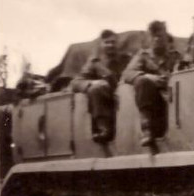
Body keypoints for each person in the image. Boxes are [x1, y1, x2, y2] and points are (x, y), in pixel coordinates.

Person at [122, 20, 186, 148]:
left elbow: (186, 72)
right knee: (142, 81)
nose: (157, 39)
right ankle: (147, 130)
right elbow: (127, 74)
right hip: (154, 105)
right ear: (150, 38)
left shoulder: (176, 56)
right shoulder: (143, 56)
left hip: (175, 101)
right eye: (154, 36)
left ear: (165, 37)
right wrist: (148, 77)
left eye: (160, 36)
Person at [70, 29, 130, 144]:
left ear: (117, 43)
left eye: (113, 42)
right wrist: (92, 83)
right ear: (101, 44)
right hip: (107, 105)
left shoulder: (126, 60)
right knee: (98, 88)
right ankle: (103, 129)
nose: (110, 45)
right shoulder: (95, 63)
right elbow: (75, 83)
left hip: (127, 104)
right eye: (107, 42)